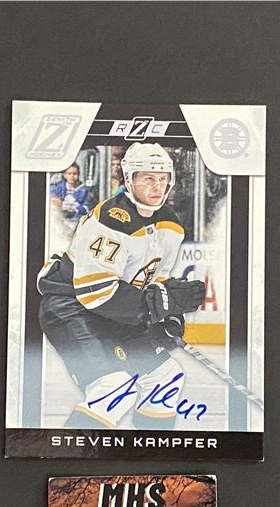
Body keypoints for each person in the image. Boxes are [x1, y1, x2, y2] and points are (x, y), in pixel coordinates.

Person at [37, 143, 205, 430]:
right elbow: (96, 292)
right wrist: (155, 306)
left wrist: (168, 317)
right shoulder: (112, 220)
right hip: (71, 308)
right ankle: (71, 454)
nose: (157, 186)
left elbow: (156, 279)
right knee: (114, 389)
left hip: (117, 310)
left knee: (166, 379)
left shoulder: (170, 224)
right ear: (129, 179)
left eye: (163, 178)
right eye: (148, 178)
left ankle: (150, 451)